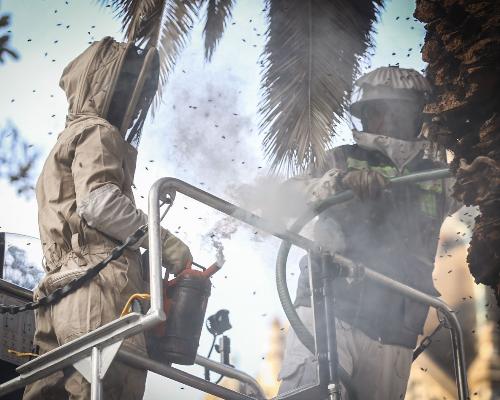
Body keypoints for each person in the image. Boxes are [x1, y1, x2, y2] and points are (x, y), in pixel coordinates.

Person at [23, 37, 192, 400]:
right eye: (129, 84)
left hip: (60, 295)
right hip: (97, 294)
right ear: (106, 84)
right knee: (109, 390)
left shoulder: (65, 140)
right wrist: (166, 243)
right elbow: (99, 204)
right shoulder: (97, 131)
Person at [277, 66, 460, 400]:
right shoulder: (341, 159)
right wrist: (338, 183)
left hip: (397, 328)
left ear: (413, 115)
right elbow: (285, 198)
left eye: (388, 110)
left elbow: (481, 197)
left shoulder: (442, 174)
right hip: (330, 307)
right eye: (372, 111)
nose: (379, 119)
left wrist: (483, 171)